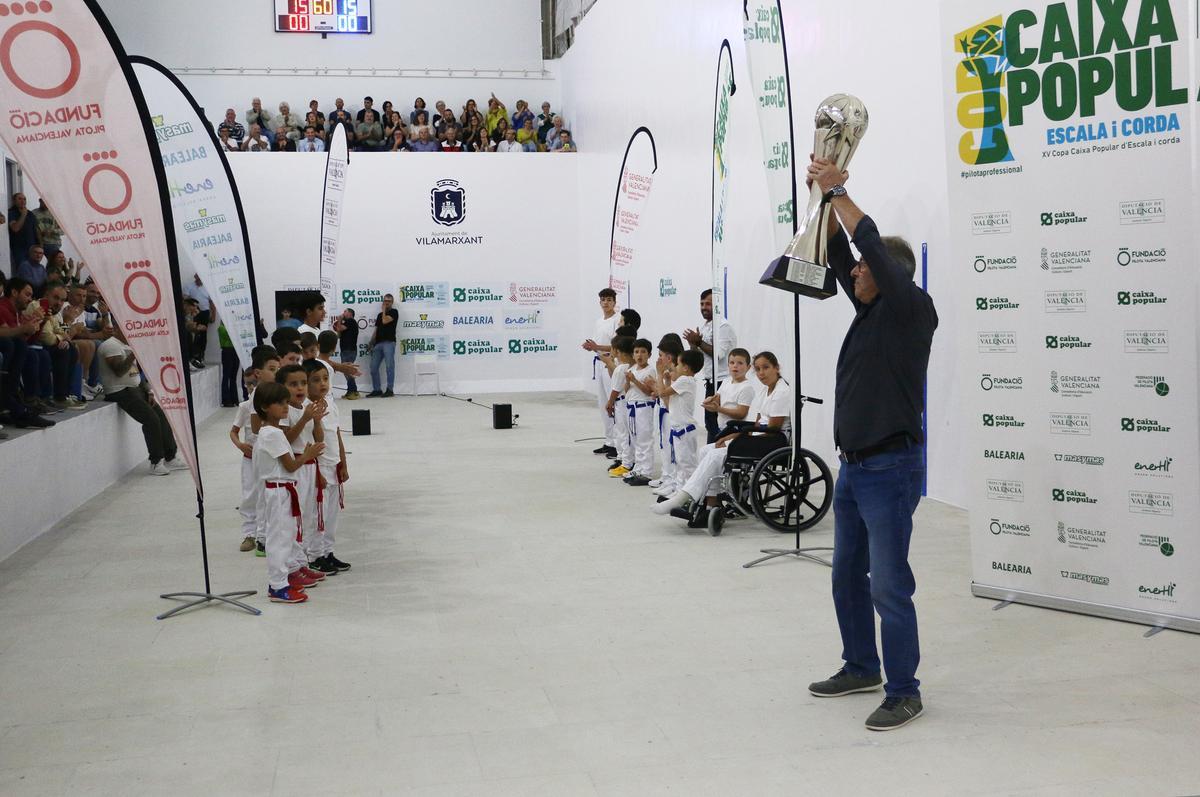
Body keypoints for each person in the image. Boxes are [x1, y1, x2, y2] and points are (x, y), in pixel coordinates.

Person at [804, 156, 938, 732]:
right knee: (846, 575)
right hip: (855, 469)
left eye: (864, 268)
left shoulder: (911, 310)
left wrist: (841, 191)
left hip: (891, 467)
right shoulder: (870, 311)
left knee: (887, 582)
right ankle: (861, 665)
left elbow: (869, 245)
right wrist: (823, 197)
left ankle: (904, 690)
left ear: (890, 274)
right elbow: (839, 253)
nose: (854, 273)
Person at [654, 351, 786, 525]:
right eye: (759, 369)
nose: (761, 373)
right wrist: (735, 435)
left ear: (777, 368)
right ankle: (709, 505)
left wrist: (739, 435)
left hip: (771, 441)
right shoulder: (765, 391)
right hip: (756, 436)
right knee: (707, 450)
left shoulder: (782, 392)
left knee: (716, 455)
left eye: (766, 368)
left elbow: (772, 428)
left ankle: (684, 497)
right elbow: (756, 423)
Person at [252, 380, 323, 603]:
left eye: (286, 402)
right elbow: (290, 465)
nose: (285, 407)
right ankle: (278, 586)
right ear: (264, 406)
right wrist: (308, 455)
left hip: (282, 489)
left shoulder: (272, 431)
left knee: (287, 535)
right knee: (280, 539)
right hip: (278, 490)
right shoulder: (271, 434)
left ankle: (285, 578)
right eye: (279, 403)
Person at [98, 327, 187, 475]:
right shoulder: (110, 345)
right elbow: (119, 371)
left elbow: (135, 373)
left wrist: (148, 391)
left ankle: (170, 457)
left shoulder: (126, 346)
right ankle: (156, 462)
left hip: (136, 389)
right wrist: (133, 354)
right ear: (116, 329)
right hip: (120, 391)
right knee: (151, 420)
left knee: (161, 417)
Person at [276, 363, 328, 593]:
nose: (300, 388)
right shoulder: (285, 410)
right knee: (294, 521)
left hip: (310, 465)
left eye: (303, 383)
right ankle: (290, 567)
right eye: (293, 384)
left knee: (306, 518)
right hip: (294, 467)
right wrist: (305, 418)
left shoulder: (308, 407)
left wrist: (316, 419)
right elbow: (286, 439)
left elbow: (318, 437)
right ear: (282, 387)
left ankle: (301, 562)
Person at [303, 359, 351, 575]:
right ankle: (314, 555)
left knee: (331, 515)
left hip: (333, 465)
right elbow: (308, 442)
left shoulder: (330, 403)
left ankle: (328, 551)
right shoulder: (305, 409)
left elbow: (337, 434)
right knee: (317, 516)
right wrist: (316, 472)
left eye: (325, 379)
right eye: (315, 380)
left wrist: (343, 462)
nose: (322, 384)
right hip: (318, 468)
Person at [232, 348, 280, 552]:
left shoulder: (279, 396)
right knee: (250, 495)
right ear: (257, 373)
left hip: (269, 455)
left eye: (277, 368)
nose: (275, 372)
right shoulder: (248, 403)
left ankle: (266, 533)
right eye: (271, 369)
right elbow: (234, 431)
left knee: (267, 495)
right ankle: (250, 534)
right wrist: (241, 445)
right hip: (251, 456)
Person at [683, 289, 737, 442]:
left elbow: (718, 355)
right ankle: (712, 457)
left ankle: (720, 460)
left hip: (722, 381)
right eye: (701, 304)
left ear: (716, 305)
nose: (704, 307)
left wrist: (699, 342)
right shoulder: (706, 326)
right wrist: (693, 345)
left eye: (708, 304)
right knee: (710, 422)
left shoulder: (723, 326)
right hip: (711, 382)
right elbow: (700, 358)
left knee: (718, 424)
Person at [0, 276, 54, 427]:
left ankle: (36, 399)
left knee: (68, 349)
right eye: (27, 294)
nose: (60, 302)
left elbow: (62, 334)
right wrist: (66, 330)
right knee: (34, 351)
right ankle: (23, 401)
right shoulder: (7, 307)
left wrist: (41, 323)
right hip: (35, 346)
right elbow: (49, 338)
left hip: (38, 345)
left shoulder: (60, 313)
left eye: (63, 299)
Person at [580, 288, 620, 456]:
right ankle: (609, 441)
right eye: (603, 300)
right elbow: (597, 344)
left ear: (614, 302)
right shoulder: (598, 321)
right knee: (603, 404)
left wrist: (596, 347)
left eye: (609, 300)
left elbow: (616, 346)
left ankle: (619, 444)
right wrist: (592, 347)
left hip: (611, 364)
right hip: (599, 364)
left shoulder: (617, 320)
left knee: (613, 404)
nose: (606, 303)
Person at [657, 349, 702, 494]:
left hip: (685, 430)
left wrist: (659, 374)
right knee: (679, 462)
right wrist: (667, 380)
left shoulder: (685, 380)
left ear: (686, 368)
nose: (674, 367)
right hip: (678, 429)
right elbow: (669, 404)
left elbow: (662, 393)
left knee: (687, 465)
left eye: (677, 364)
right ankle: (679, 490)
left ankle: (691, 493)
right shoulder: (683, 382)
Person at [649, 334, 684, 495]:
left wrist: (657, 379)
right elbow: (662, 393)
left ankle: (674, 481)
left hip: (671, 414)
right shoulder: (670, 371)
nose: (659, 359)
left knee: (672, 448)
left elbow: (666, 395)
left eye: (661, 356)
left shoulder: (676, 373)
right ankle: (667, 476)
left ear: (669, 357)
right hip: (663, 410)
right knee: (663, 445)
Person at [622, 338, 657, 486]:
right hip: (631, 407)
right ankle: (639, 467)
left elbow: (648, 392)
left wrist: (635, 380)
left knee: (645, 439)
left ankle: (647, 471)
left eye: (643, 351)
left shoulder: (650, 370)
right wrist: (629, 381)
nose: (639, 355)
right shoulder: (632, 370)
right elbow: (626, 390)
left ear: (649, 354)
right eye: (636, 352)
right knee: (635, 439)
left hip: (644, 407)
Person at [604, 336, 635, 479]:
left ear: (618, 351)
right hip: (626, 402)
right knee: (626, 433)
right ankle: (625, 459)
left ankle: (626, 461)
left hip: (621, 403)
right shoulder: (630, 367)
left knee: (623, 432)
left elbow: (615, 389)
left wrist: (609, 403)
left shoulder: (621, 368)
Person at [367, 293, 398, 397]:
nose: (386, 303)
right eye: (385, 301)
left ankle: (390, 389)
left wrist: (383, 310)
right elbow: (377, 329)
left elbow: (385, 321)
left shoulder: (394, 312)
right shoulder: (379, 315)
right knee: (373, 368)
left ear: (392, 302)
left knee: (389, 366)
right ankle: (377, 389)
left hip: (389, 342)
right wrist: (371, 342)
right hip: (378, 343)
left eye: (388, 301)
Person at [183, 274, 214, 369]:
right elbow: (185, 299)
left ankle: (200, 356)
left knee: (202, 335)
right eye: (198, 278)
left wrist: (213, 315)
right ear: (195, 277)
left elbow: (211, 302)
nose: (199, 280)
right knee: (192, 334)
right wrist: (192, 310)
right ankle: (192, 357)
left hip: (204, 312)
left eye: (201, 279)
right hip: (192, 313)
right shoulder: (189, 286)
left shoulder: (208, 287)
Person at [335, 308, 360, 399]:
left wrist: (340, 320)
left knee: (347, 370)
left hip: (349, 349)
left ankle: (353, 391)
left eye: (345, 311)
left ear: (350, 313)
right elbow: (338, 334)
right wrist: (340, 322)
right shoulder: (346, 322)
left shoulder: (350, 321)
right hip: (345, 349)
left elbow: (339, 328)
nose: (343, 313)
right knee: (346, 370)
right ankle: (352, 390)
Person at [8, 193, 38, 269]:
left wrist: (40, 245)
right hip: (19, 248)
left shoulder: (31, 214)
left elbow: (36, 230)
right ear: (14, 201)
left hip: (32, 248)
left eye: (24, 199)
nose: (23, 201)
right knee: (23, 270)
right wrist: (23, 214)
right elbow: (15, 228)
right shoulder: (11, 213)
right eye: (20, 199)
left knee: (33, 270)